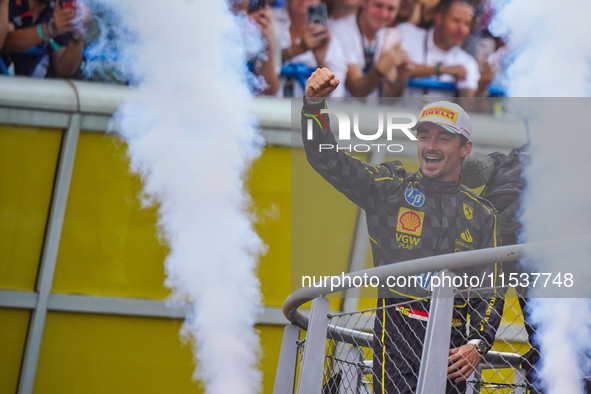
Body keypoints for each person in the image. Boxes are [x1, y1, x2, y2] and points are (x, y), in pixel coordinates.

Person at [301, 68, 504, 393]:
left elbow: (490, 291)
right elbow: (327, 160)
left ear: (465, 148)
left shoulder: (482, 213)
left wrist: (477, 344)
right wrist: (313, 107)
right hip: (394, 343)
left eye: (443, 137)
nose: (431, 146)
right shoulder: (390, 188)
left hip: (451, 357)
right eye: (424, 136)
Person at [398, 0, 490, 97]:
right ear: (439, 18)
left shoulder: (467, 62)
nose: (461, 30)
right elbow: (395, 70)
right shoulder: (406, 34)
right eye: (456, 21)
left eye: (467, 24)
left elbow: (468, 105)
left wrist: (481, 88)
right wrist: (443, 70)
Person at [329, 0, 413, 98]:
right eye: (378, 5)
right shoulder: (341, 31)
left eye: (391, 9)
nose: (383, 14)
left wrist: (401, 77)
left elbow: (391, 96)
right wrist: (379, 69)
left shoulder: (388, 35)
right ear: (363, 2)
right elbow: (356, 90)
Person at [272, 0, 346, 97]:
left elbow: (335, 97)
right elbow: (255, 66)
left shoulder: (332, 40)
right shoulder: (268, 20)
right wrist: (297, 49)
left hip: (307, 110)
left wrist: (320, 60)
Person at [2, 0, 91, 78]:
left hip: (23, 89)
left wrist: (78, 33)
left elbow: (64, 67)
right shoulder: (9, 3)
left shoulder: (57, 8)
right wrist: (51, 29)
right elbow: (4, 43)